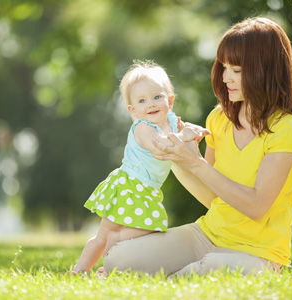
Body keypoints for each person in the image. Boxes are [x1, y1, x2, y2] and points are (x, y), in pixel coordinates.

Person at [102, 17, 292, 277]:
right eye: (223, 67)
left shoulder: (287, 127)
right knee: (116, 260)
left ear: (265, 69)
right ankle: (180, 273)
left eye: (236, 70)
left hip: (256, 253)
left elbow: (256, 207)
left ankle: (180, 275)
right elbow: (212, 199)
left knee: (205, 270)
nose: (225, 78)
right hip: (206, 235)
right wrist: (177, 155)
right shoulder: (219, 118)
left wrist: (195, 162)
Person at [72, 60, 209, 274]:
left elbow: (183, 129)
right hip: (129, 183)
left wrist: (194, 130)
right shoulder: (143, 128)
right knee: (103, 236)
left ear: (170, 100)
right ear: (133, 110)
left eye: (157, 97)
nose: (151, 104)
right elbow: (160, 146)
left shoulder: (171, 121)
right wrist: (183, 136)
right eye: (142, 101)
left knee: (150, 227)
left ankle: (113, 245)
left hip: (147, 189)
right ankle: (80, 269)